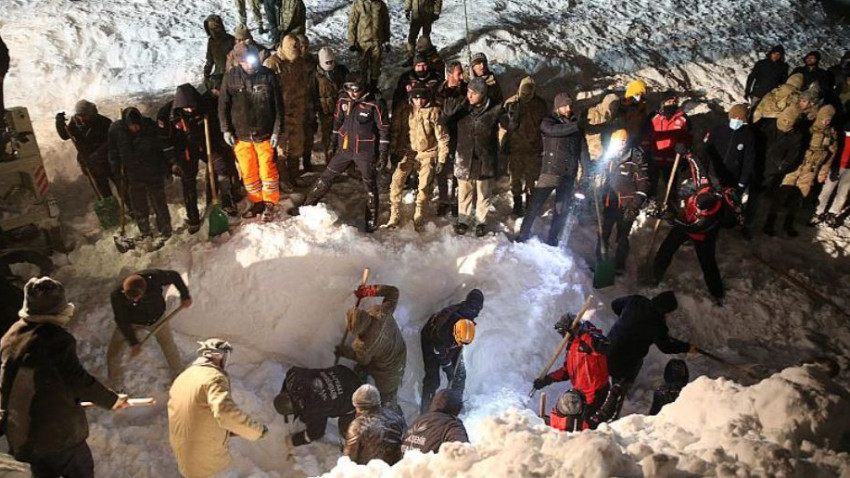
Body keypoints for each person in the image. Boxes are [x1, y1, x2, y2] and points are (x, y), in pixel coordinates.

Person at [0, 277, 128, 478]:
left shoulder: (11, 336)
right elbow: (77, 379)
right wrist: (111, 400)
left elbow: (7, 384)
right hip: (57, 435)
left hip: (23, 435)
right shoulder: (55, 339)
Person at [302, 73, 390, 233]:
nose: (353, 92)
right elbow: (337, 122)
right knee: (326, 177)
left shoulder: (375, 102)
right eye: (349, 88)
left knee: (370, 185)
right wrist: (332, 144)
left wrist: (383, 153)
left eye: (356, 89)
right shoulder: (343, 99)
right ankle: (306, 207)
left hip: (365, 152)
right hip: (344, 149)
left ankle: (370, 222)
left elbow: (384, 130)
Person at [168, 339, 267, 478]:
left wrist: (227, 430)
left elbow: (194, 413)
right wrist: (257, 431)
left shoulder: (183, 378)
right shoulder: (214, 377)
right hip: (208, 463)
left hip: (185, 458)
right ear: (219, 356)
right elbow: (225, 412)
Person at [219, 42, 284, 222]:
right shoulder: (231, 78)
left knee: (267, 170)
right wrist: (226, 130)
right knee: (249, 172)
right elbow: (223, 106)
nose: (251, 65)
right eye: (246, 62)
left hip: (264, 133)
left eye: (253, 60)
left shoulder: (268, 76)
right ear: (239, 62)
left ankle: (270, 202)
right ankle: (257, 202)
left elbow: (279, 107)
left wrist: (277, 131)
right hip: (241, 135)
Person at [603, 292, 693, 419]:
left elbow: (615, 305)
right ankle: (616, 402)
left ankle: (610, 393)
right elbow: (666, 347)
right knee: (621, 381)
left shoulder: (636, 300)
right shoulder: (657, 325)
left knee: (606, 372)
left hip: (608, 345)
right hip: (627, 359)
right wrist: (687, 347)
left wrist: (626, 319)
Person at [518, 93, 589, 245]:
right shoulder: (549, 121)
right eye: (564, 105)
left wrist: (587, 170)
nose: (568, 109)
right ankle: (523, 234)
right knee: (535, 205)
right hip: (550, 171)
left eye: (570, 105)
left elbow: (582, 150)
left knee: (561, 210)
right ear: (557, 107)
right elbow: (554, 131)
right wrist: (576, 126)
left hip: (569, 173)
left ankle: (553, 239)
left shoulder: (576, 125)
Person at [443, 77, 506, 237]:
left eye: (474, 93)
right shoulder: (462, 108)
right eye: (468, 92)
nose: (469, 96)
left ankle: (480, 221)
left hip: (484, 157)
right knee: (464, 191)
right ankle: (463, 220)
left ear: (483, 94)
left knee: (483, 192)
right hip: (464, 155)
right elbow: (447, 126)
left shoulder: (495, 109)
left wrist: (512, 117)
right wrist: (449, 114)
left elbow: (509, 125)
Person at [107, 270, 192, 385]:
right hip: (132, 321)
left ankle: (179, 376)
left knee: (169, 346)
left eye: (137, 297)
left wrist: (185, 295)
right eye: (130, 298)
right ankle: (115, 383)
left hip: (157, 319)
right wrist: (133, 342)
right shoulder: (117, 296)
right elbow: (122, 320)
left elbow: (175, 276)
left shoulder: (154, 278)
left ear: (144, 290)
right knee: (113, 352)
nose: (135, 300)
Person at [387, 86, 449, 229]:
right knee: (396, 181)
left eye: (422, 98)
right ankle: (394, 213)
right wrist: (393, 151)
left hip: (427, 151)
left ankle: (419, 214)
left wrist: (441, 159)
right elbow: (396, 131)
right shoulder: (405, 111)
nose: (419, 101)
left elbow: (443, 137)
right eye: (416, 98)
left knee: (424, 185)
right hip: (407, 150)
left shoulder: (434, 112)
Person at [335, 284, 406, 408]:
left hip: (387, 371)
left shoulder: (364, 344)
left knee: (386, 398)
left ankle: (390, 413)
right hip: (399, 351)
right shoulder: (381, 313)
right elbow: (393, 292)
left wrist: (344, 351)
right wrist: (369, 291)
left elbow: (363, 359)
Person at [532, 315, 610, 428]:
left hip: (596, 393)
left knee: (584, 426)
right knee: (573, 421)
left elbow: (603, 345)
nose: (562, 336)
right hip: (581, 394)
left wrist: (590, 337)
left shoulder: (588, 339)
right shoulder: (571, 346)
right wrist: (547, 379)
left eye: (563, 332)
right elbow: (566, 371)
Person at [108, 107, 173, 242]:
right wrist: (117, 173)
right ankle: (145, 232)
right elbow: (113, 153)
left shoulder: (150, 128)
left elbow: (161, 150)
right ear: (126, 124)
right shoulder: (116, 130)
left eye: (137, 125)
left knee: (159, 201)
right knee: (139, 205)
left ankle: (165, 228)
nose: (135, 128)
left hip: (153, 171)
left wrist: (166, 168)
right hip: (132, 174)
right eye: (132, 126)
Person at [771, 105, 837, 237]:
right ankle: (770, 223)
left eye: (829, 119)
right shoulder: (808, 127)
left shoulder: (831, 133)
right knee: (782, 193)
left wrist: (823, 172)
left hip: (810, 170)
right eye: (825, 118)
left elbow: (831, 153)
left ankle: (788, 225)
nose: (826, 121)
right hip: (796, 165)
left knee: (799, 197)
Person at [419, 289, 483, 413]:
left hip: (451, 340)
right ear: (455, 333)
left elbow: (476, 296)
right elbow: (440, 353)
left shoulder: (470, 312)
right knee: (432, 379)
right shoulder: (442, 332)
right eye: (459, 342)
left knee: (459, 375)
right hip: (431, 341)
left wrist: (453, 372)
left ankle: (454, 405)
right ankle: (426, 411)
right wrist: (448, 368)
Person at [596, 128, 650, 274]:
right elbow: (599, 173)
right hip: (610, 203)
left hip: (627, 206)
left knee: (622, 237)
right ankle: (600, 264)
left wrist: (635, 205)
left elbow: (644, 183)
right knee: (603, 233)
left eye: (622, 142)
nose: (619, 145)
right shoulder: (609, 158)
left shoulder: (635, 159)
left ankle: (619, 266)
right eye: (617, 142)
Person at [273, 365, 362, 447]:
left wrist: (294, 441)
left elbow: (315, 433)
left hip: (354, 395)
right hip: (344, 373)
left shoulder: (311, 408)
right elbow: (290, 373)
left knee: (347, 429)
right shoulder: (295, 377)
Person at [264, 35, 309, 191]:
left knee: (297, 144)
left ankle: (294, 175)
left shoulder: (299, 62)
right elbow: (266, 93)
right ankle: (283, 179)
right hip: (280, 114)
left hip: (297, 111)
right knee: (281, 148)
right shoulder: (272, 64)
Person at [705, 104, 756, 237]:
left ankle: (722, 224)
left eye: (741, 118)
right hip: (713, 174)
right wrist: (704, 172)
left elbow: (748, 162)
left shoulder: (748, 136)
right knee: (709, 203)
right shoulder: (718, 130)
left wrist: (742, 183)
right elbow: (706, 152)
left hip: (732, 177)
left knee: (726, 205)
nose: (738, 120)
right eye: (736, 117)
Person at [762, 99, 809, 236]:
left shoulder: (796, 134)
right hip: (771, 166)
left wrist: (782, 166)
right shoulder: (770, 126)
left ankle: (787, 224)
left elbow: (793, 153)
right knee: (778, 195)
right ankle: (769, 223)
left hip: (796, 167)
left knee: (796, 197)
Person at [502, 76, 547, 217]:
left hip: (533, 148)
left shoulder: (540, 105)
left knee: (531, 179)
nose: (526, 95)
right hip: (516, 147)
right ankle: (517, 202)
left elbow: (544, 125)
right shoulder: (511, 103)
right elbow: (503, 125)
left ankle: (530, 203)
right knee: (515, 178)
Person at [55, 100, 116, 200]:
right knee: (104, 191)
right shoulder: (75, 123)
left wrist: (98, 154)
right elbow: (65, 135)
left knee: (122, 187)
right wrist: (59, 123)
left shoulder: (103, 122)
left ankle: (132, 211)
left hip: (107, 161)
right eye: (79, 115)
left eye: (84, 115)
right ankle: (113, 212)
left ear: (91, 113)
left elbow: (111, 142)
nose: (81, 118)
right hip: (91, 164)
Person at [343, 384, 405, 465]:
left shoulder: (357, 426)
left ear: (359, 406)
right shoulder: (397, 418)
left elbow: (348, 461)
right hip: (392, 471)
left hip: (368, 472)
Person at [434, 61, 466, 217]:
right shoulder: (440, 91)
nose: (461, 77)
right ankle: (443, 200)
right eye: (458, 73)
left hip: (459, 133)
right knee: (441, 168)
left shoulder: (465, 89)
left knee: (456, 168)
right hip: (443, 133)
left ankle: (454, 201)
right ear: (449, 73)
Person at [648, 91, 690, 203]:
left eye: (674, 101)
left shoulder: (683, 119)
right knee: (651, 188)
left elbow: (688, 138)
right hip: (654, 159)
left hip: (672, 161)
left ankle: (670, 209)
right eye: (669, 101)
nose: (672, 103)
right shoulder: (654, 117)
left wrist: (684, 149)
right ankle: (648, 209)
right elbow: (647, 135)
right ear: (663, 103)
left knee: (671, 190)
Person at [309, 47, 349, 163]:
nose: (330, 64)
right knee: (328, 139)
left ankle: (345, 162)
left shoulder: (341, 71)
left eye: (332, 62)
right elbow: (312, 95)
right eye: (327, 62)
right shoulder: (315, 76)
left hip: (342, 111)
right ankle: (330, 163)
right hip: (325, 113)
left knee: (344, 137)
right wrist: (313, 115)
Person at [401, 388, 467, 453]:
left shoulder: (418, 420)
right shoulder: (451, 425)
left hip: (403, 463)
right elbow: (463, 453)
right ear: (455, 408)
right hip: (427, 463)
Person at [811, 119, 850, 228]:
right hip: (836, 164)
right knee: (827, 190)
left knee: (843, 192)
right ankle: (818, 212)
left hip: (849, 168)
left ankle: (833, 213)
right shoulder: (842, 128)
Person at [347, 0, 390, 89]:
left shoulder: (380, 4)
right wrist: (352, 42)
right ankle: (362, 87)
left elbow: (386, 22)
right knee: (362, 67)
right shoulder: (358, 4)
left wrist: (386, 41)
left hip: (377, 41)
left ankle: (373, 88)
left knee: (376, 67)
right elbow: (352, 23)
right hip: (363, 43)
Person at [744, 45, 789, 112]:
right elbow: (751, 77)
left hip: (772, 95)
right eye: (774, 53)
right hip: (758, 93)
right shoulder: (761, 64)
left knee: (768, 114)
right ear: (771, 53)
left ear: (781, 56)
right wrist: (747, 91)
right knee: (753, 112)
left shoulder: (783, 67)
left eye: (778, 54)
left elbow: (783, 81)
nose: (776, 56)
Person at [202, 15, 236, 94]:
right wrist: (206, 73)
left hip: (231, 73)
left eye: (215, 27)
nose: (213, 31)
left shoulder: (230, 39)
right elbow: (210, 60)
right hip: (218, 74)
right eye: (211, 28)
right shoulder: (211, 42)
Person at [404, 0, 441, 65]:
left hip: (428, 14)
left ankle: (426, 57)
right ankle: (410, 56)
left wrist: (436, 11)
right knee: (412, 37)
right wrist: (407, 9)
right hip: (416, 14)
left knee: (425, 37)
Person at [621, 79, 650, 146]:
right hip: (623, 140)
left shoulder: (643, 105)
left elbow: (644, 122)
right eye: (637, 94)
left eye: (641, 94)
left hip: (638, 140)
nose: (639, 97)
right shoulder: (622, 106)